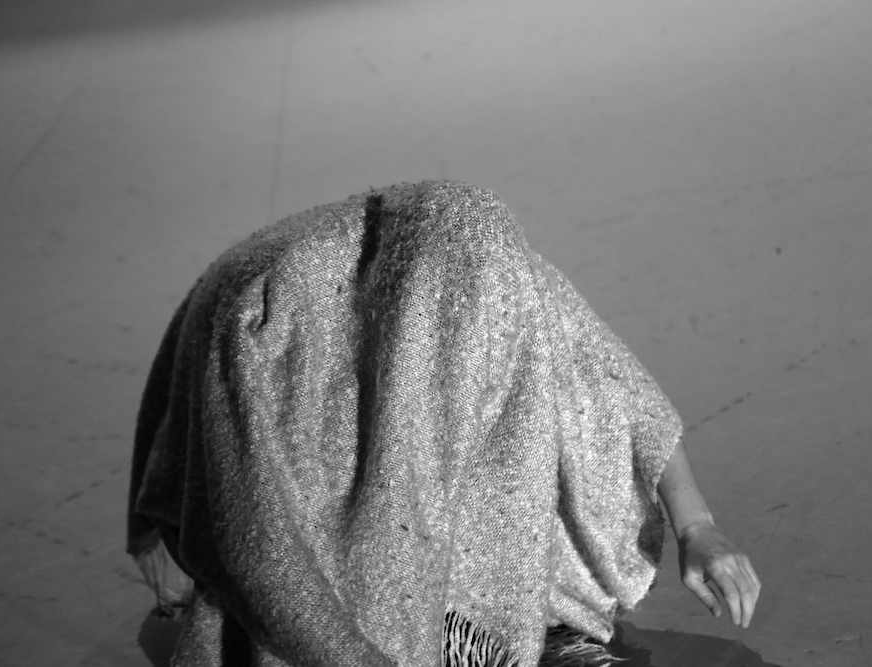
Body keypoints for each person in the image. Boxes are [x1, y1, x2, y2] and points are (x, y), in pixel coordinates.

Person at [127, 180, 758, 667]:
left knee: (546, 430)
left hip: (415, 315)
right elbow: (256, 547)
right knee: (300, 602)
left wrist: (697, 527)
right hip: (267, 346)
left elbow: (626, 393)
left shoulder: (506, 279)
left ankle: (479, 606)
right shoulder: (270, 331)